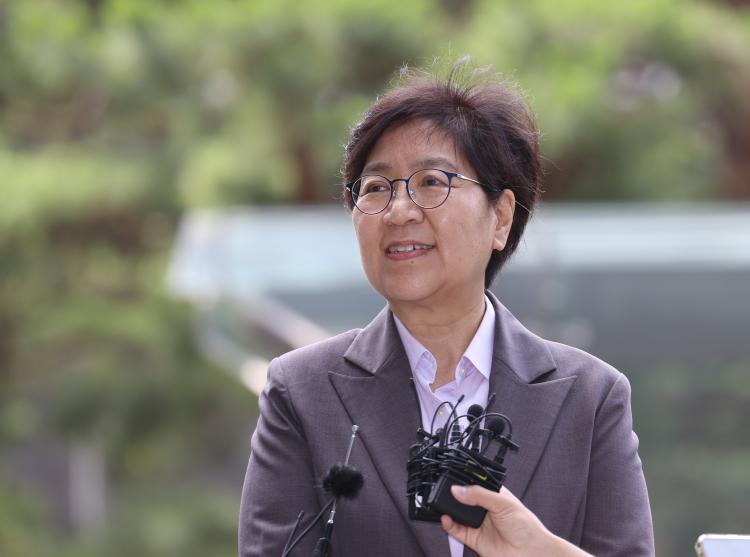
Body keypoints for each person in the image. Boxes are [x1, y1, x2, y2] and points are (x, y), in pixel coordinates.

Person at [239, 61, 655, 557]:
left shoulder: (590, 397)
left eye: (432, 182)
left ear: (501, 218)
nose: (399, 211)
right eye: (375, 188)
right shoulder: (302, 391)